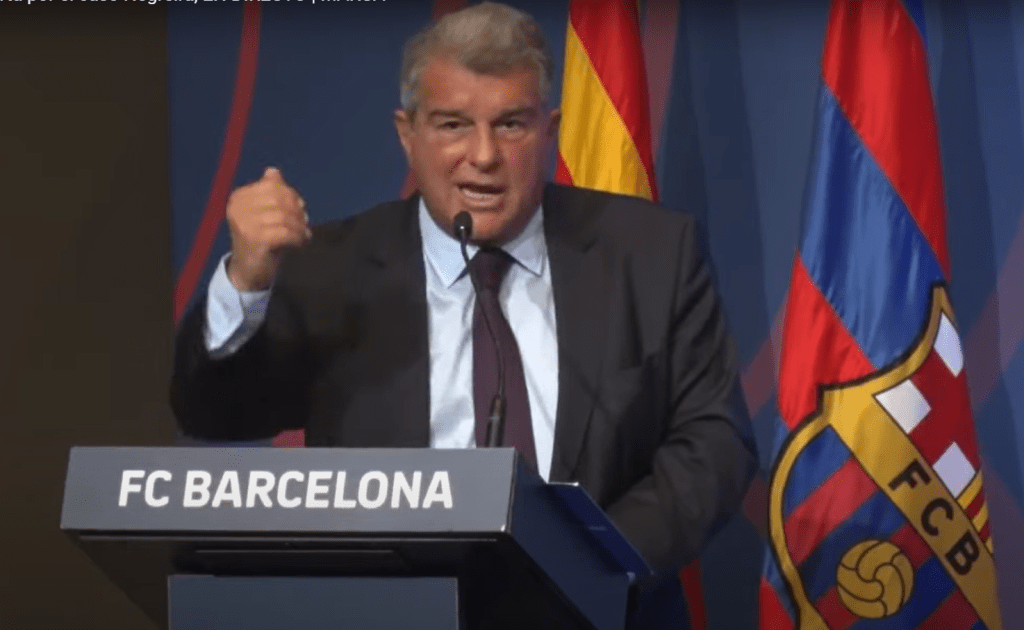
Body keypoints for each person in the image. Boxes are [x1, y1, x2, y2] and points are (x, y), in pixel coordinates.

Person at [170, 2, 757, 627]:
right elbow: (214, 411)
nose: (483, 155)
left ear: (550, 130)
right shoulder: (332, 269)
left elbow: (714, 441)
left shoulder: (651, 254)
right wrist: (247, 279)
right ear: (407, 133)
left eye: (511, 125)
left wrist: (592, 568)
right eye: (453, 124)